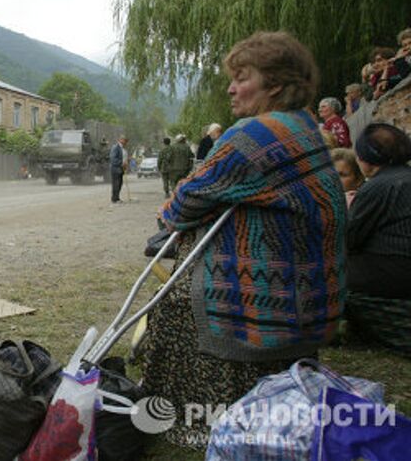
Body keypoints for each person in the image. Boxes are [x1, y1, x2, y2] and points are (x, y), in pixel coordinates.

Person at [141, 31, 346, 447]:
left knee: (176, 298)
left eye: (242, 77)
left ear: (275, 83)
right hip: (312, 298)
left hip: (268, 301)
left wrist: (169, 212)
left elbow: (182, 205)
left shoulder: (254, 133)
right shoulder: (305, 125)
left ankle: (190, 416)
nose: (231, 88)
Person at [345, 123, 411, 357]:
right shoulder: (405, 177)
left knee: (330, 274)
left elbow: (349, 240)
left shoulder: (378, 187)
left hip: (396, 271)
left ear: (366, 159)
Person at [109, 135, 128, 203]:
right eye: (125, 140)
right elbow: (113, 159)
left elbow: (123, 157)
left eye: (126, 141)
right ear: (120, 140)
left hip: (121, 169)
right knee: (116, 184)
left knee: (120, 183)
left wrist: (125, 164)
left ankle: (117, 198)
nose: (126, 142)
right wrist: (121, 163)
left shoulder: (123, 148)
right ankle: (114, 199)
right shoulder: (115, 147)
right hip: (115, 169)